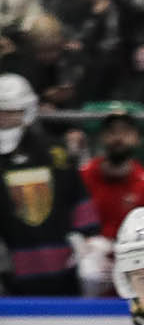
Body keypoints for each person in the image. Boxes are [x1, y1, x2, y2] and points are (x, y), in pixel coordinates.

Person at [0, 71, 88, 294]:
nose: (3, 119)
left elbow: (77, 195)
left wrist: (87, 237)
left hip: (60, 263)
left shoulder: (54, 152)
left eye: (10, 112)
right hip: (9, 270)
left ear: (27, 112)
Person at [78, 106, 144, 293]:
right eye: (112, 132)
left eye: (125, 132)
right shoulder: (82, 177)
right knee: (88, 269)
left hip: (131, 260)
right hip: (89, 258)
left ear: (137, 138)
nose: (118, 138)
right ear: (102, 137)